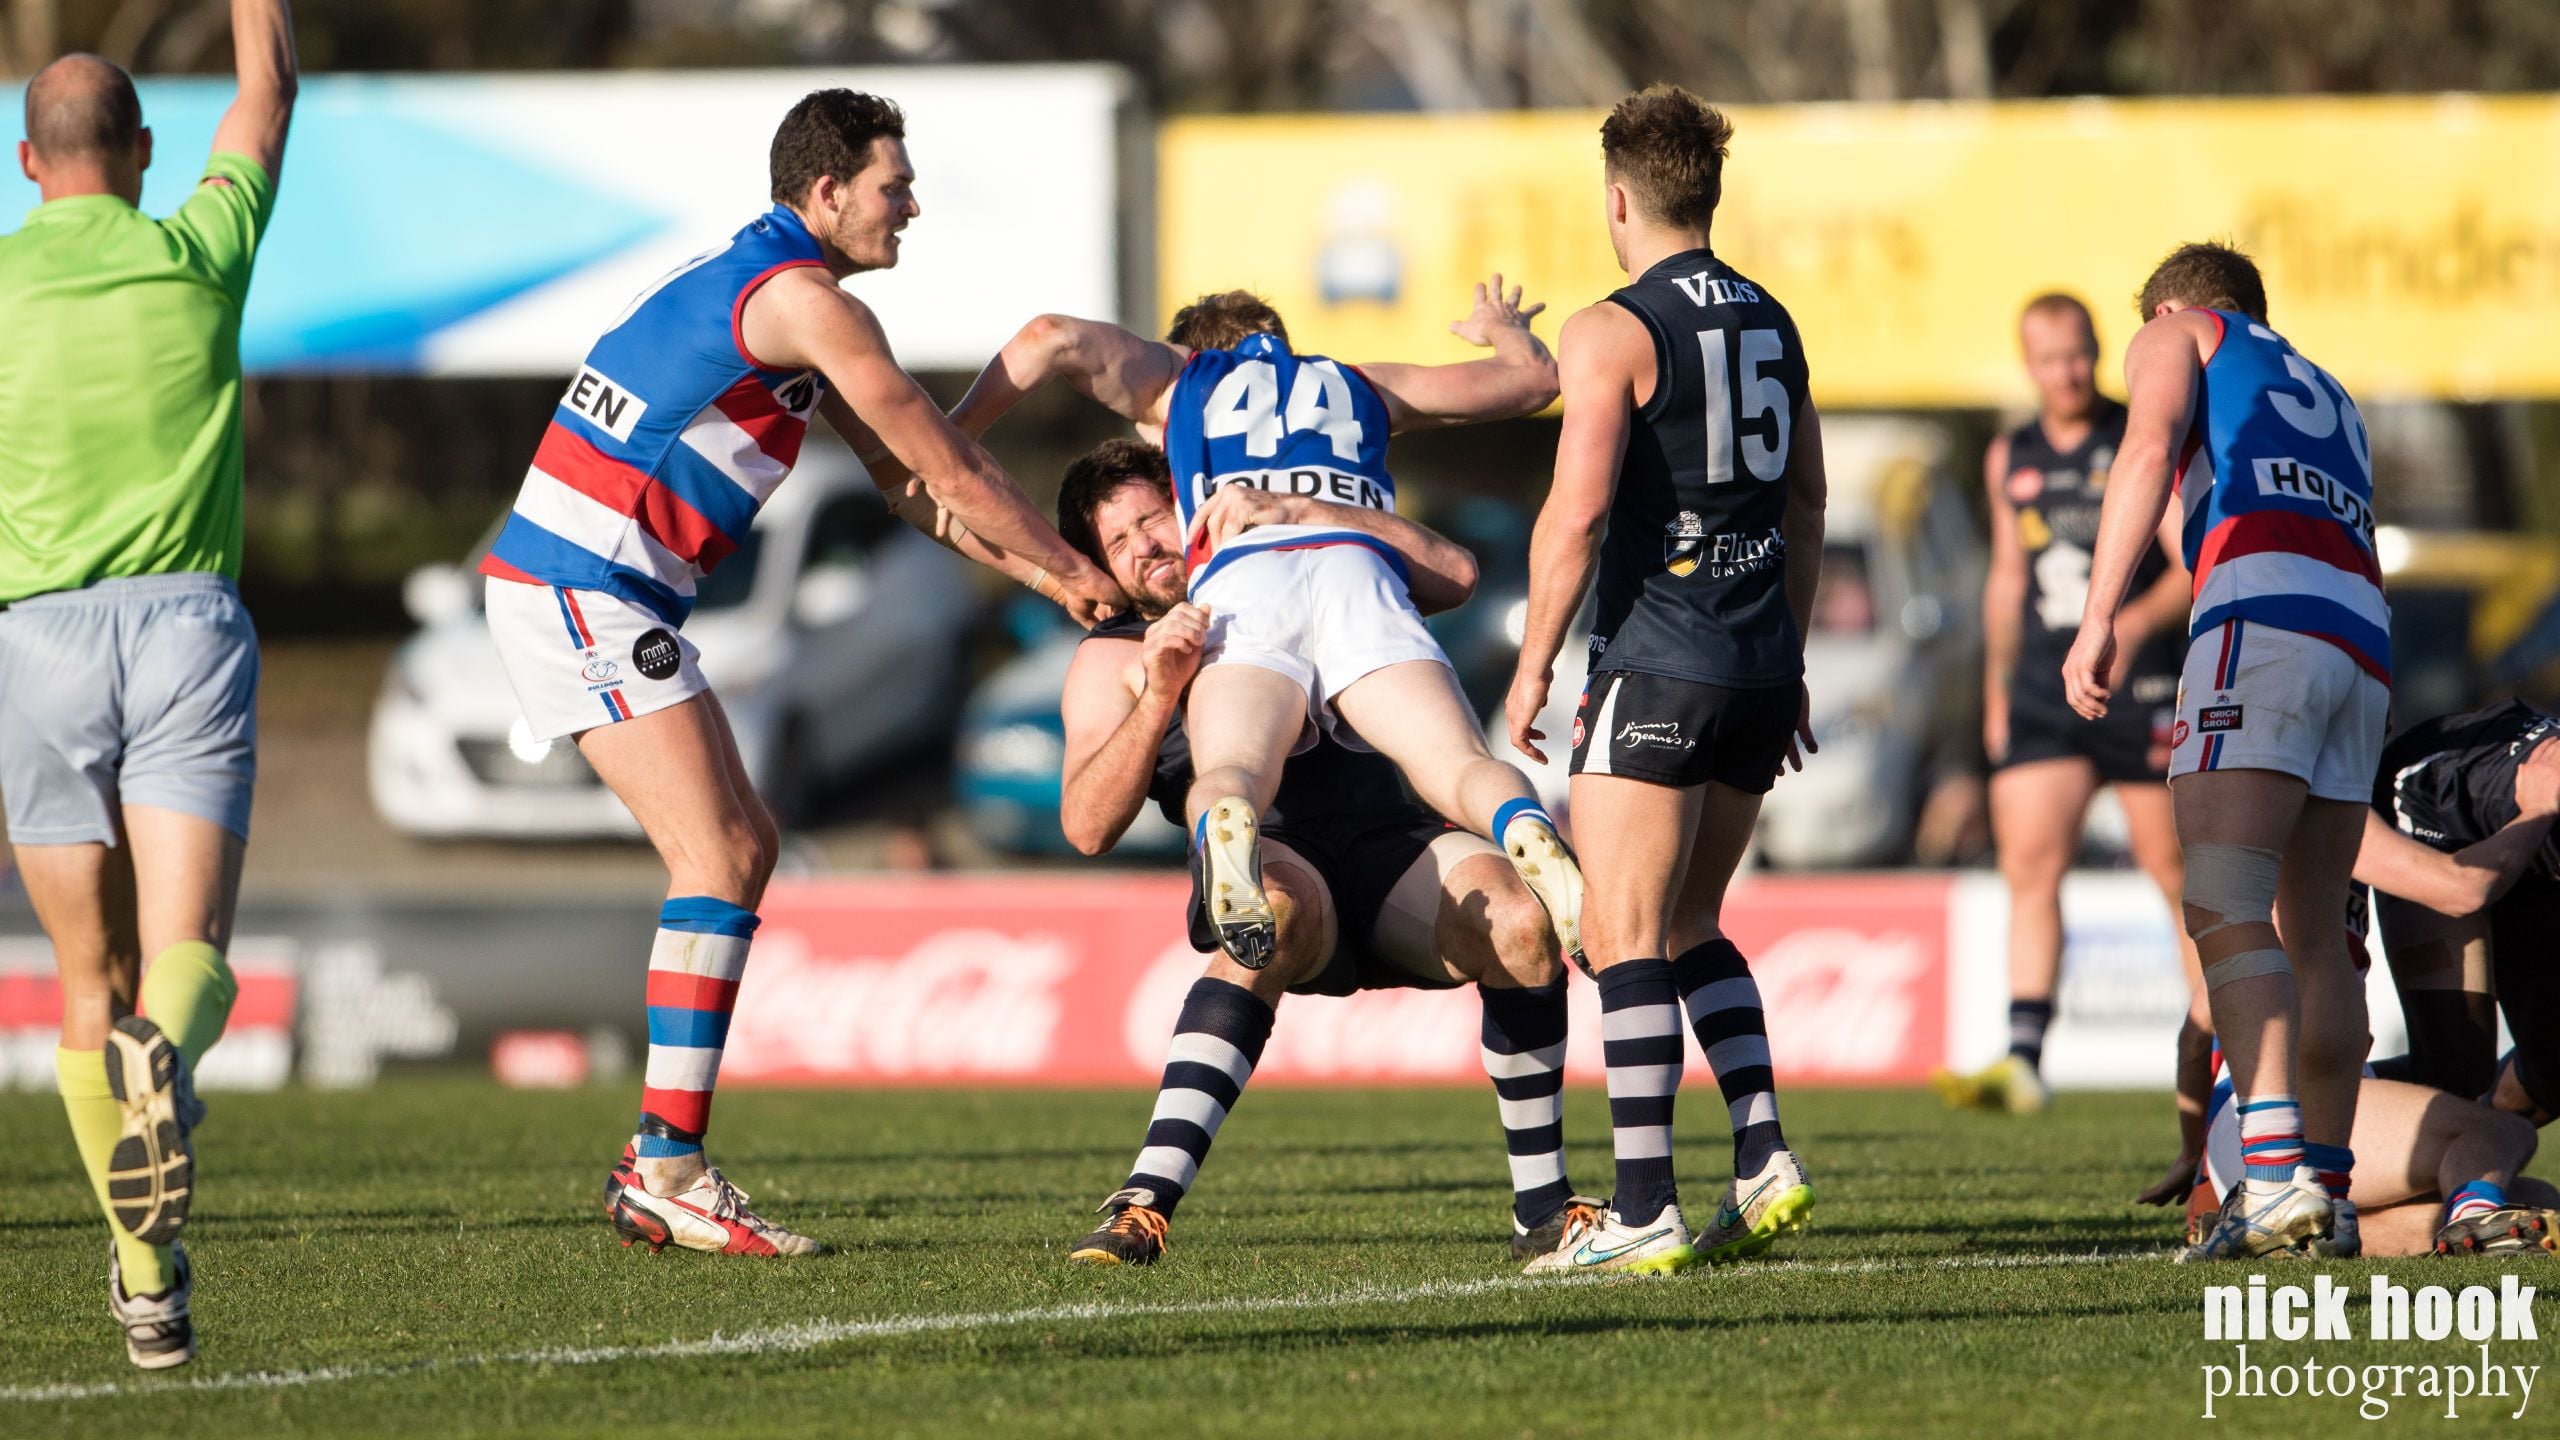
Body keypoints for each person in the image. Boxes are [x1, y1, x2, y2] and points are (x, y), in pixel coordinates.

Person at [477, 90, 1120, 1258]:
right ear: (825, 194)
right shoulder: (799, 302)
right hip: (577, 587)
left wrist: (1048, 587)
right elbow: (958, 471)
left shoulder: (776, 295)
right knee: (718, 852)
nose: (911, 207)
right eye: (893, 185)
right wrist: (1075, 563)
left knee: (745, 847)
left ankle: (659, 1159)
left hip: (592, 591)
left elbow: (906, 492)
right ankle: (665, 1164)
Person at [1047, 440, 1591, 1265]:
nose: (1146, 546)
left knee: (1520, 922)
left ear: (1194, 499)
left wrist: (1306, 511)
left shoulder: (1310, 562)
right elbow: (1086, 827)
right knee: (1269, 904)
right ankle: (1142, 1201)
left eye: (1152, 517)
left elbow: (1453, 572)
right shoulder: (1114, 654)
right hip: (1279, 855)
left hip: (1395, 849)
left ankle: (1544, 1212)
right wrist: (1161, 689)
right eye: (1118, 543)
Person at [947, 279, 1583, 974]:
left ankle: (1229, 826)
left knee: (1233, 770)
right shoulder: (1358, 383)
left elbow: (1050, 335)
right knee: (1460, 767)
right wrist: (1505, 330)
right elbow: (1532, 383)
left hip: (1244, 577)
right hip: (1357, 566)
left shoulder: (1183, 379)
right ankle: (1526, 827)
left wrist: (954, 434)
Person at [0, 1, 296, 1370]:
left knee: (83, 975)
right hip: (185, 627)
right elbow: (268, 89)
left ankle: (145, 1272)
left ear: (23, 162)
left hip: (34, 639)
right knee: (185, 965)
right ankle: (163, 1077)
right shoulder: (199, 249)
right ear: (141, 151)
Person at [1505, 85, 1826, 1277]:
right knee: (1692, 921)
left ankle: (1643, 1205)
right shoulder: (1775, 320)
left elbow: (1576, 514)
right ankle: (1762, 1155)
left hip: (1656, 661)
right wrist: (1787, 658)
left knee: (1619, 930)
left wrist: (1532, 667)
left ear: (1619, 197)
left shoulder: (1610, 328)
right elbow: (1807, 500)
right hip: (1753, 669)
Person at [2065, 240, 2388, 1260]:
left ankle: (2269, 1177)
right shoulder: (2323, 384)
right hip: (2360, 635)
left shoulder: (2173, 333)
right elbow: (2199, 508)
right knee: (2317, 923)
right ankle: (2326, 1193)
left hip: (2262, 618)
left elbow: (2145, 450)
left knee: (2221, 900)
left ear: (2171, 307)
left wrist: (2097, 614)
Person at [1936, 293, 2198, 1118]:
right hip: (2044, 691)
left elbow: (2189, 567)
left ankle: (2217, 1041)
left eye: (2080, 354)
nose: (2069, 372)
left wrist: (2122, 626)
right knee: (2030, 867)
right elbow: (2008, 578)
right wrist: (1995, 693)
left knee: (2176, 871)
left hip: (2140, 683)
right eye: (2051, 359)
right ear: (2029, 364)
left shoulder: (2141, 435)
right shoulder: (2008, 454)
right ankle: (2023, 1060)